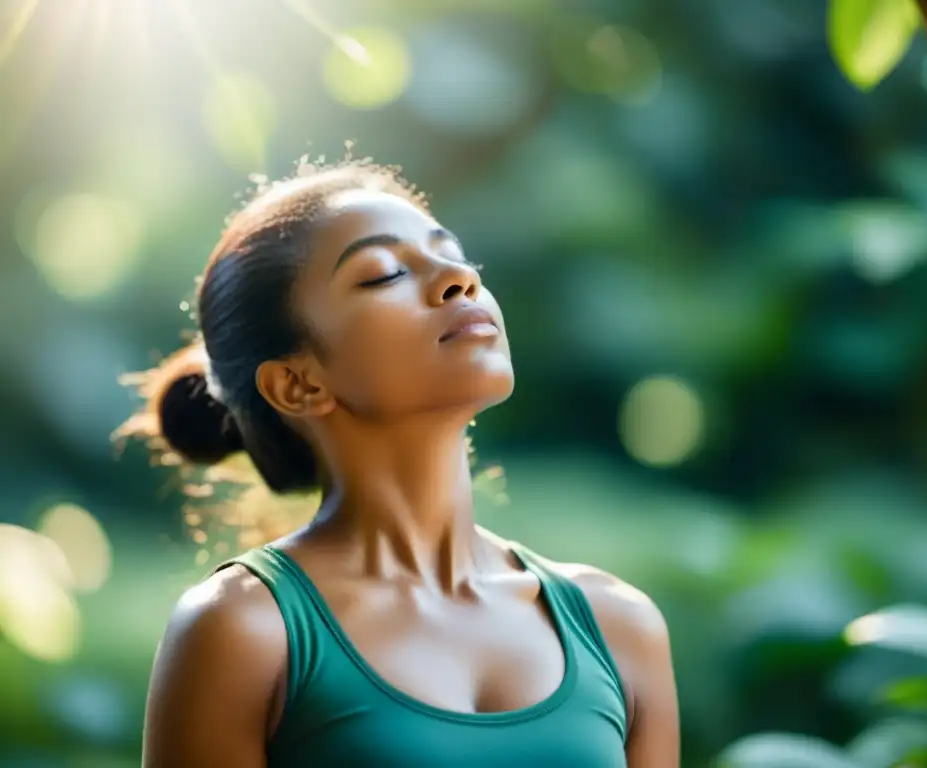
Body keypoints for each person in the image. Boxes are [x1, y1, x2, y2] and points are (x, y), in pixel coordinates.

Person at [123, 158, 680, 767]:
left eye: (454, 253)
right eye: (384, 274)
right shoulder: (242, 631)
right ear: (298, 385)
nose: (458, 277)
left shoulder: (619, 625)